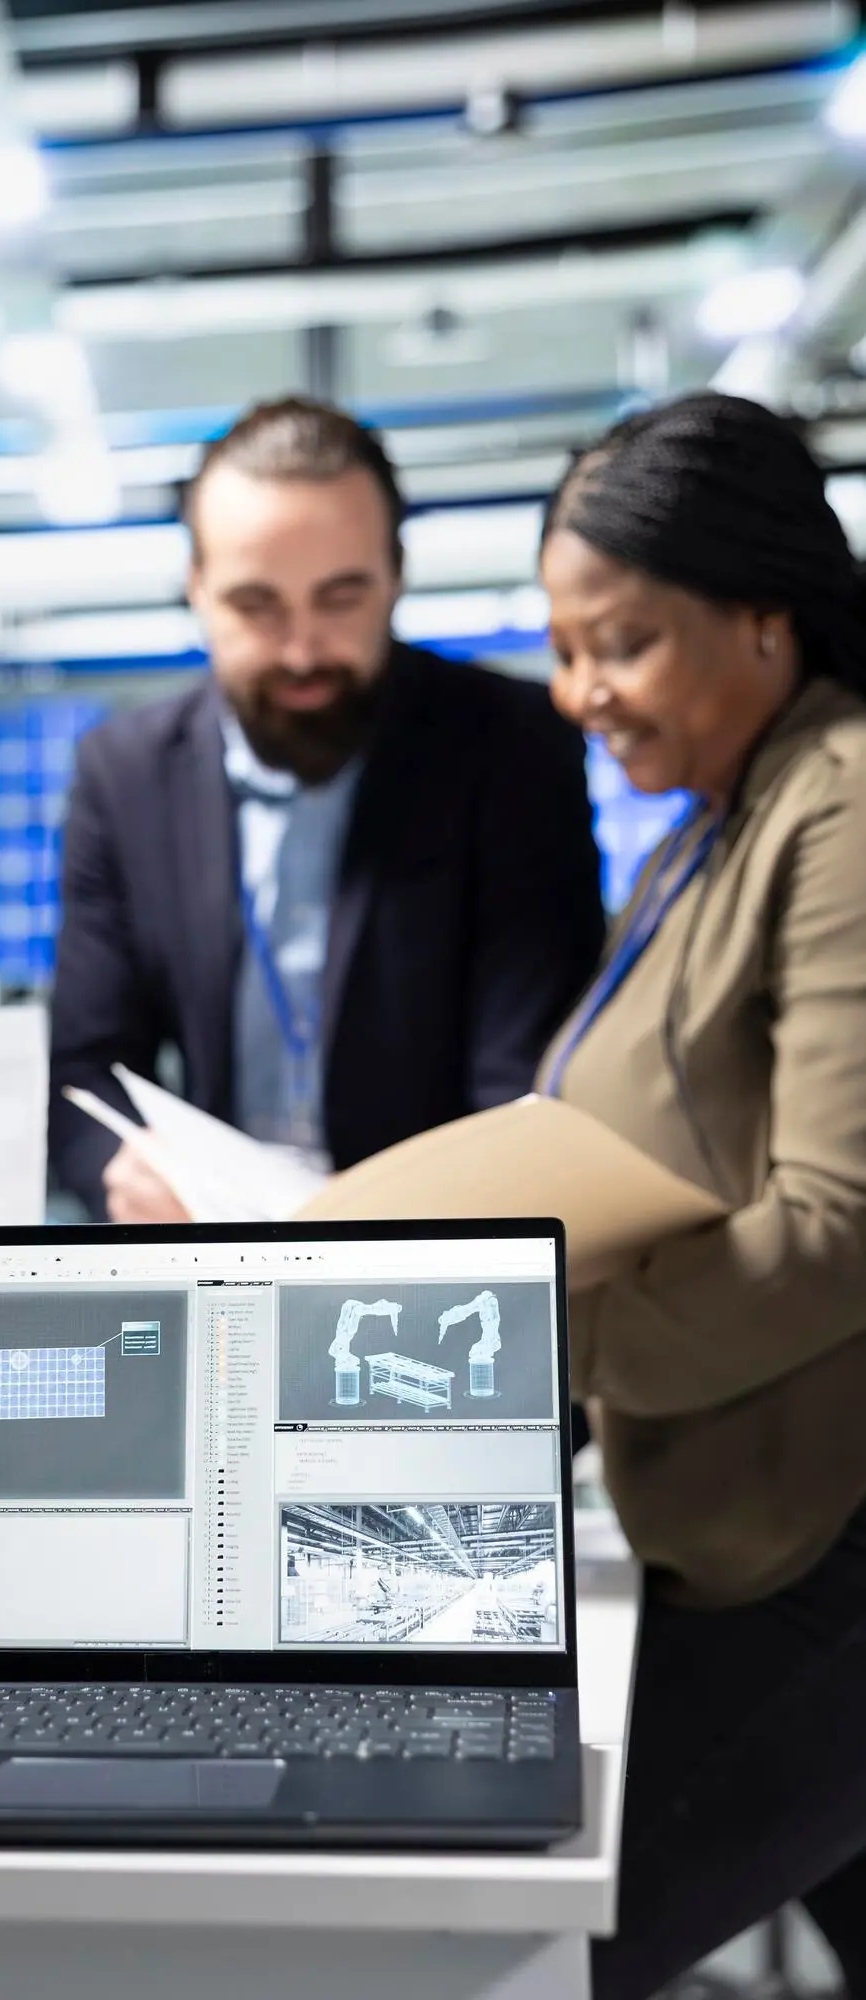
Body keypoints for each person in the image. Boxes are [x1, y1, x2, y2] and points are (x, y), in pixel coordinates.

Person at [537, 390, 866, 1999]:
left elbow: (836, 1231)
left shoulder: (847, 808)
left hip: (826, 1553)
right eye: (563, 644)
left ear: (762, 616)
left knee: (532, 1952)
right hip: (747, 1518)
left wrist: (552, 1338)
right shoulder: (717, 827)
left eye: (623, 642)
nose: (579, 689)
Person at [50, 397, 605, 1220]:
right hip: (214, 1249)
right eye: (256, 606)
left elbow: (523, 1077)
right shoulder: (124, 775)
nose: (303, 651)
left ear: (395, 576)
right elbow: (82, 1071)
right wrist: (122, 1168)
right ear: (195, 591)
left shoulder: (511, 748)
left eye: (341, 598)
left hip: (437, 1245)